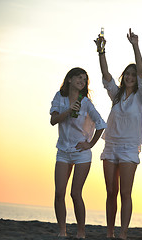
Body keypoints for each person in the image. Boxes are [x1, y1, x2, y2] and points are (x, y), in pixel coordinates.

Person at [94, 28, 142, 239]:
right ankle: (110, 233)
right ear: (123, 76)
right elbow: (106, 75)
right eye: (127, 73)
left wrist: (135, 45)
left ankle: (123, 233)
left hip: (129, 148)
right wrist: (101, 51)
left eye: (133, 75)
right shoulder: (116, 95)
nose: (130, 77)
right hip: (111, 146)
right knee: (111, 193)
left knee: (126, 193)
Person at [50, 67, 107, 238]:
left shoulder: (86, 103)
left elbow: (101, 124)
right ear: (69, 79)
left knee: (75, 193)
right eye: (79, 78)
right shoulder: (59, 97)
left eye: (84, 79)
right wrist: (67, 111)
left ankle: (81, 232)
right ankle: (62, 231)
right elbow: (53, 120)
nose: (82, 81)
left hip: (81, 152)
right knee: (59, 192)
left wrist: (90, 144)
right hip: (63, 150)